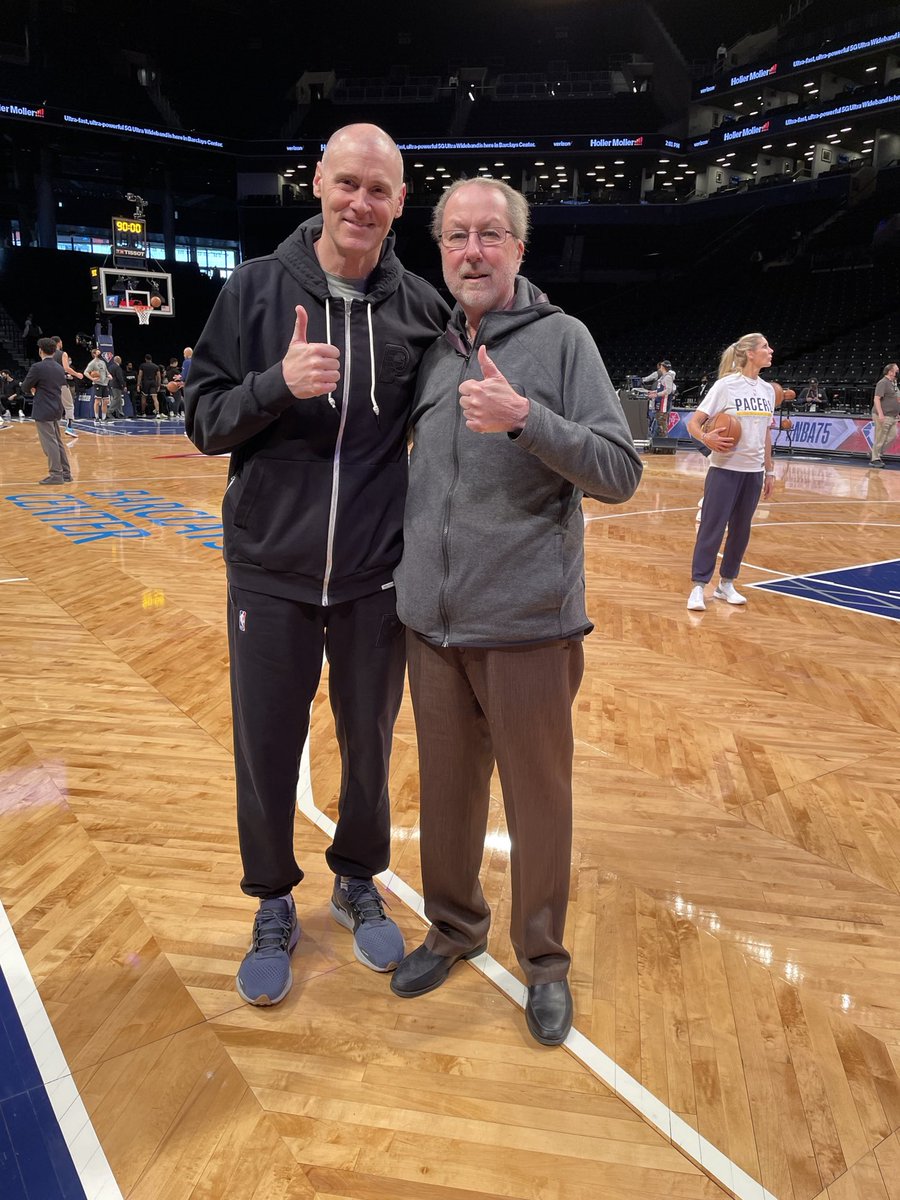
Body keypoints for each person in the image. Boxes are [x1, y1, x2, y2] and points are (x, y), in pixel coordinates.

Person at [185, 123, 449, 1007]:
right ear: (319, 187)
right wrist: (275, 384)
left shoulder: (419, 307)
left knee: (369, 746)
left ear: (400, 203)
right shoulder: (257, 290)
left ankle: (355, 877)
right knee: (266, 747)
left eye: (379, 189)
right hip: (269, 570)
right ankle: (271, 902)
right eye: (347, 184)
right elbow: (203, 417)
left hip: (374, 578)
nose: (361, 203)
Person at [389, 178, 643, 1045]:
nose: (473, 250)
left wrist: (527, 418)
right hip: (432, 625)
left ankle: (544, 961)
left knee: (540, 803)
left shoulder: (565, 340)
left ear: (518, 249)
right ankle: (455, 928)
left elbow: (619, 471)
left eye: (491, 235)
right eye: (457, 235)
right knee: (448, 798)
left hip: (531, 625)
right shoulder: (428, 346)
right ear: (441, 249)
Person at [685, 333, 776, 611]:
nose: (771, 351)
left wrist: (769, 471)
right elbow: (694, 422)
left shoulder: (768, 390)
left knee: (741, 530)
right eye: (765, 347)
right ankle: (698, 587)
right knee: (712, 528)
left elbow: (765, 435)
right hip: (724, 470)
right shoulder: (726, 386)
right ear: (750, 353)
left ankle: (726, 584)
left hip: (753, 471)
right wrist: (706, 438)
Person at [22, 338, 73, 485]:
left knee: (49, 443)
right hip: (57, 407)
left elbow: (25, 386)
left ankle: (56, 474)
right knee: (57, 441)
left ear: (40, 350)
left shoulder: (37, 367)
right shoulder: (59, 368)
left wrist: (34, 388)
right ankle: (66, 473)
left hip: (43, 408)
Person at [869, 362, 898, 469]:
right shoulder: (883, 383)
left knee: (892, 436)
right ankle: (875, 459)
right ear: (890, 372)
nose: (897, 372)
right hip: (883, 415)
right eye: (896, 370)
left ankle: (874, 452)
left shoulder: (893, 383)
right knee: (880, 437)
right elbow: (876, 399)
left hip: (893, 416)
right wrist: (880, 414)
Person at [51, 336, 82, 437]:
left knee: (55, 406)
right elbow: (66, 368)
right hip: (60, 383)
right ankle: (69, 428)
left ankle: (52, 428)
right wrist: (77, 374)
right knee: (69, 405)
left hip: (49, 383)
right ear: (59, 343)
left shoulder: (47, 354)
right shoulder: (62, 354)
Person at [647, 359, 676, 440]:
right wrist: (653, 392)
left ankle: (664, 442)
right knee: (659, 422)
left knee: (662, 423)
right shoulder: (663, 377)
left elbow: (668, 390)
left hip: (664, 403)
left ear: (662, 367)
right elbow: (661, 389)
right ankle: (657, 441)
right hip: (659, 402)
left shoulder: (667, 377)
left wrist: (656, 394)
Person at [84, 348, 111, 421]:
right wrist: (92, 379)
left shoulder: (103, 362)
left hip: (105, 384)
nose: (100, 353)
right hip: (97, 384)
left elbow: (106, 371)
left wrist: (109, 375)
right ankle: (96, 417)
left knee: (105, 401)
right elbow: (85, 372)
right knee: (97, 401)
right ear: (94, 354)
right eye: (98, 352)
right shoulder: (92, 363)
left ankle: (104, 417)